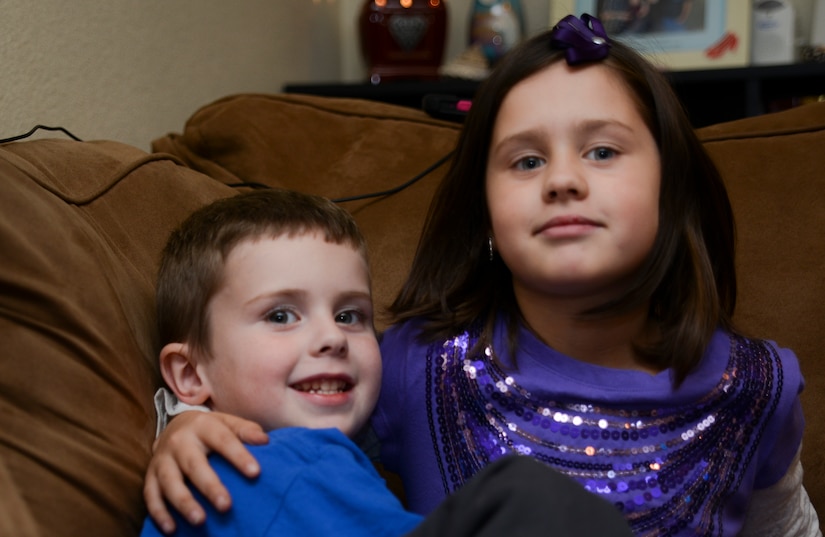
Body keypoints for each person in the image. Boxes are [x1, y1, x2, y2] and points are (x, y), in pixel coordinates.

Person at [142, 14, 822, 536]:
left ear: (674, 192)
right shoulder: (418, 363)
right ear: (486, 215)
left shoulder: (755, 387)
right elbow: (278, 411)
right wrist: (184, 421)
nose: (561, 179)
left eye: (601, 150)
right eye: (525, 162)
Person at [139, 188, 635, 536]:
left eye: (350, 314)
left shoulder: (245, 464)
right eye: (282, 314)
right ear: (188, 374)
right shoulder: (286, 464)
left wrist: (181, 423)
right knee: (531, 498)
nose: (332, 336)